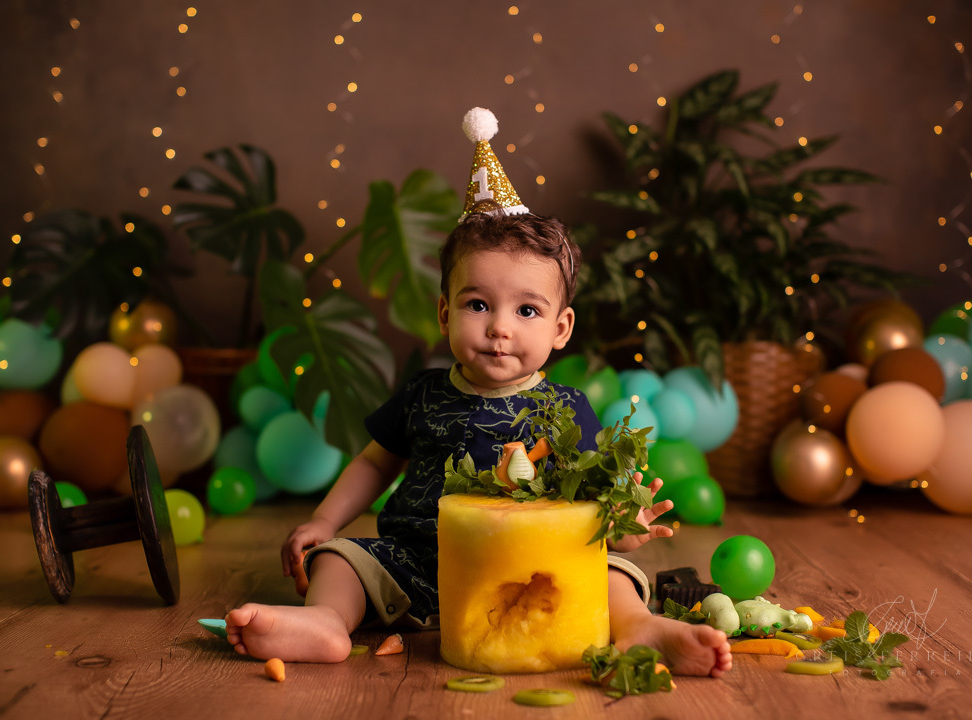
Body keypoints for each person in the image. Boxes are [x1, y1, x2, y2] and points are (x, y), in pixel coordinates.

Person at [225, 109, 732, 679]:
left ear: (560, 328)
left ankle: (640, 626)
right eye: (477, 304)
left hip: (532, 571)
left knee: (606, 569)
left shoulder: (565, 411)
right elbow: (373, 462)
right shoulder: (422, 393)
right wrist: (324, 522)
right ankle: (326, 621)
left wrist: (625, 522)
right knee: (341, 561)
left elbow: (597, 494)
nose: (499, 328)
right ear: (445, 313)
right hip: (418, 560)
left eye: (526, 310)